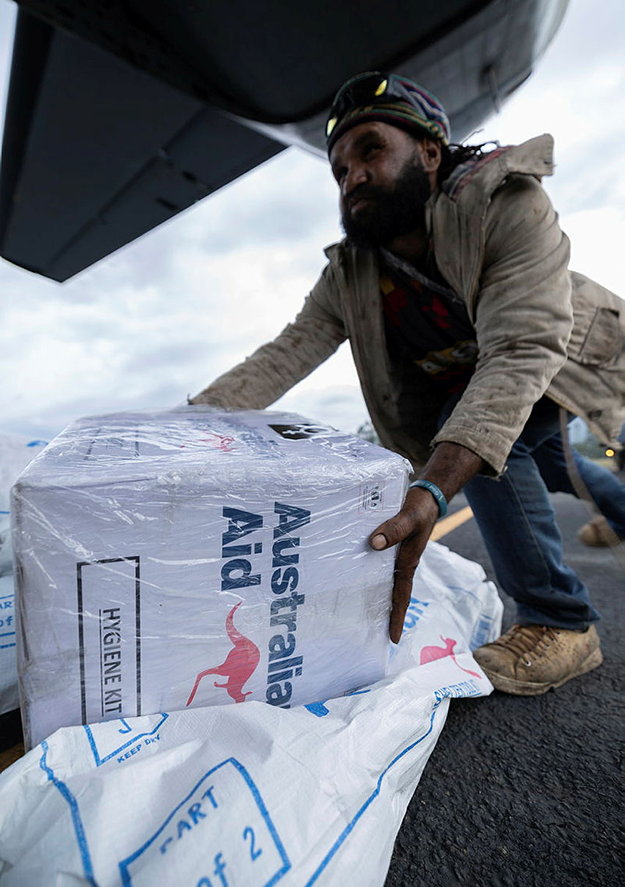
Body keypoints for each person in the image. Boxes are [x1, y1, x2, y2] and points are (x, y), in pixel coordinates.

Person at [190, 71, 625, 695]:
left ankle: (562, 620)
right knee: (552, 463)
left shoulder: (507, 203)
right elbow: (284, 353)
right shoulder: (351, 274)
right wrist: (176, 429)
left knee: (493, 444)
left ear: (428, 152)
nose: (353, 176)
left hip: (558, 365)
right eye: (339, 169)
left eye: (370, 150)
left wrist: (433, 490)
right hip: (485, 388)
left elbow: (520, 351)